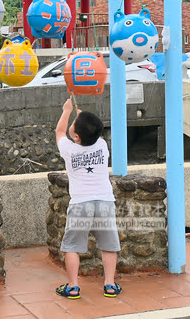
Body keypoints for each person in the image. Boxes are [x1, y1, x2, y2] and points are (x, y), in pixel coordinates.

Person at [54, 98, 121, 300]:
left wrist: (67, 111)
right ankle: (109, 284)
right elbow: (88, 133)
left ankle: (73, 287)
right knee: (108, 244)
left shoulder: (69, 149)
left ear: (75, 136)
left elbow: (59, 132)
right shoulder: (101, 145)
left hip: (80, 204)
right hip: (104, 202)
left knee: (72, 246)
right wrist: (81, 119)